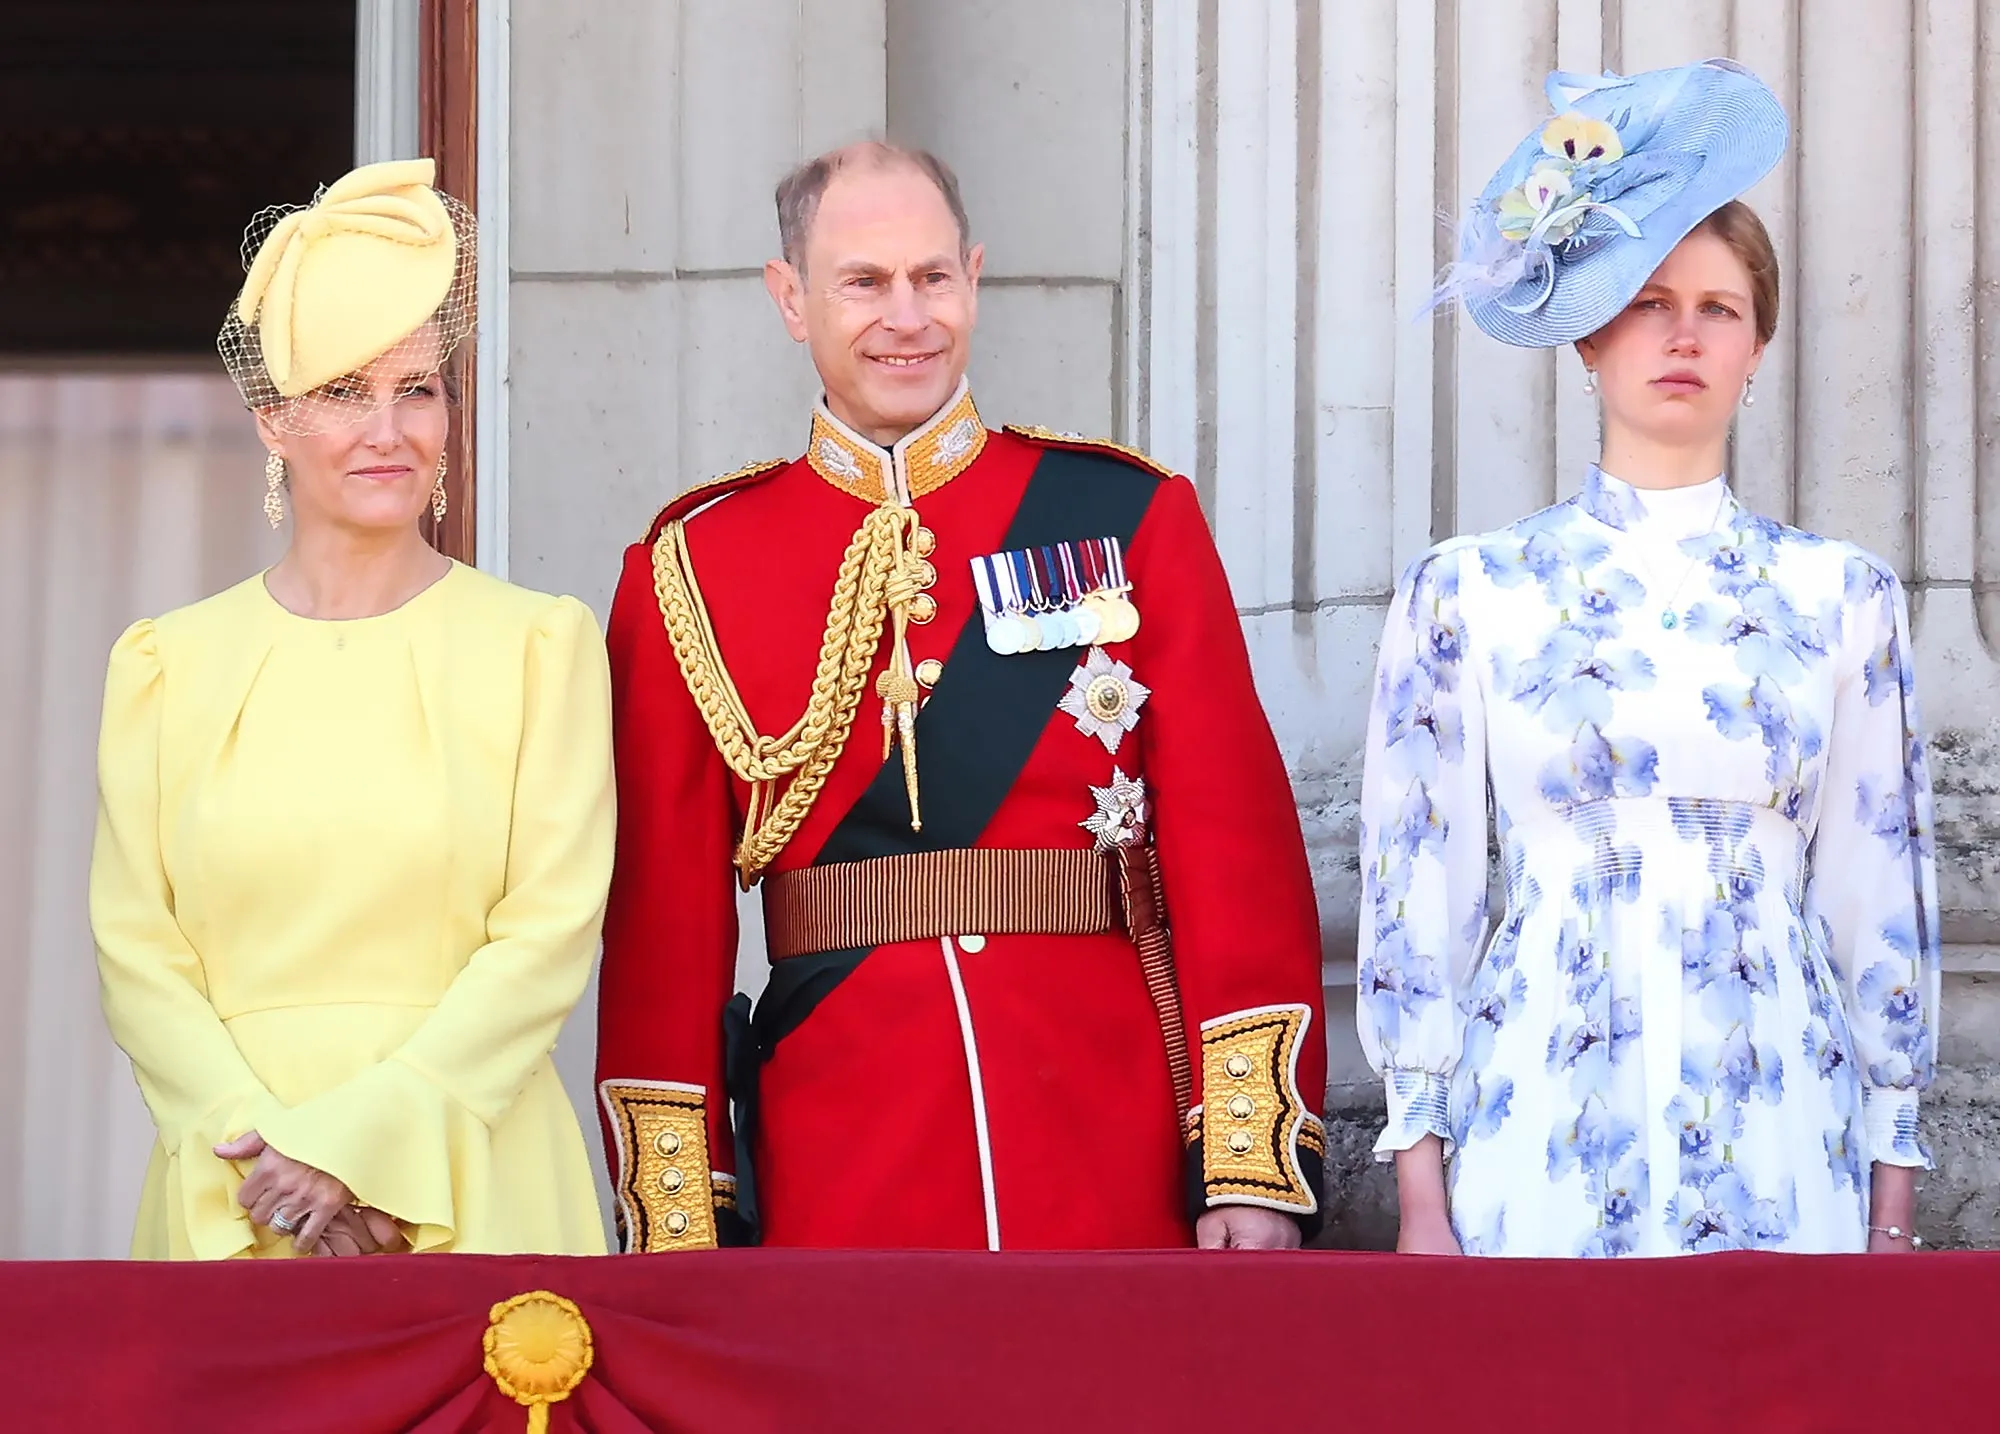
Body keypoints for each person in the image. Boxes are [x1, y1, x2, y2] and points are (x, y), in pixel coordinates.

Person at [596, 142, 1327, 1252]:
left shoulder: (1125, 516)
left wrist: (1246, 1163)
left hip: (1105, 1126)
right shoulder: (692, 567)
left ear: (973, 279)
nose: (907, 315)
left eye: (932, 277)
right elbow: (663, 934)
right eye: (863, 281)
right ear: (789, 298)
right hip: (845, 1154)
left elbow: (1235, 848)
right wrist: (683, 1218)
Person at [1358, 60, 1940, 1257]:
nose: (1680, 334)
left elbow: (1875, 892)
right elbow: (1421, 889)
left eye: (1717, 308)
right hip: (1538, 1124)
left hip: (1786, 1120)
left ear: (1756, 347)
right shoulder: (1466, 591)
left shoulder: (1840, 597)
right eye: (1645, 300)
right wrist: (1422, 1190)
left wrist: (1888, 1194)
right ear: (1582, 336)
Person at [90, 159, 613, 1259]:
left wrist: (365, 1150)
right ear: (273, 419)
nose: (389, 429)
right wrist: (273, 1166)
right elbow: (138, 955)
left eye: (417, 387)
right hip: (231, 1194)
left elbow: (547, 934)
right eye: (342, 391)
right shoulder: (163, 666)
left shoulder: (539, 646)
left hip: (472, 1183)